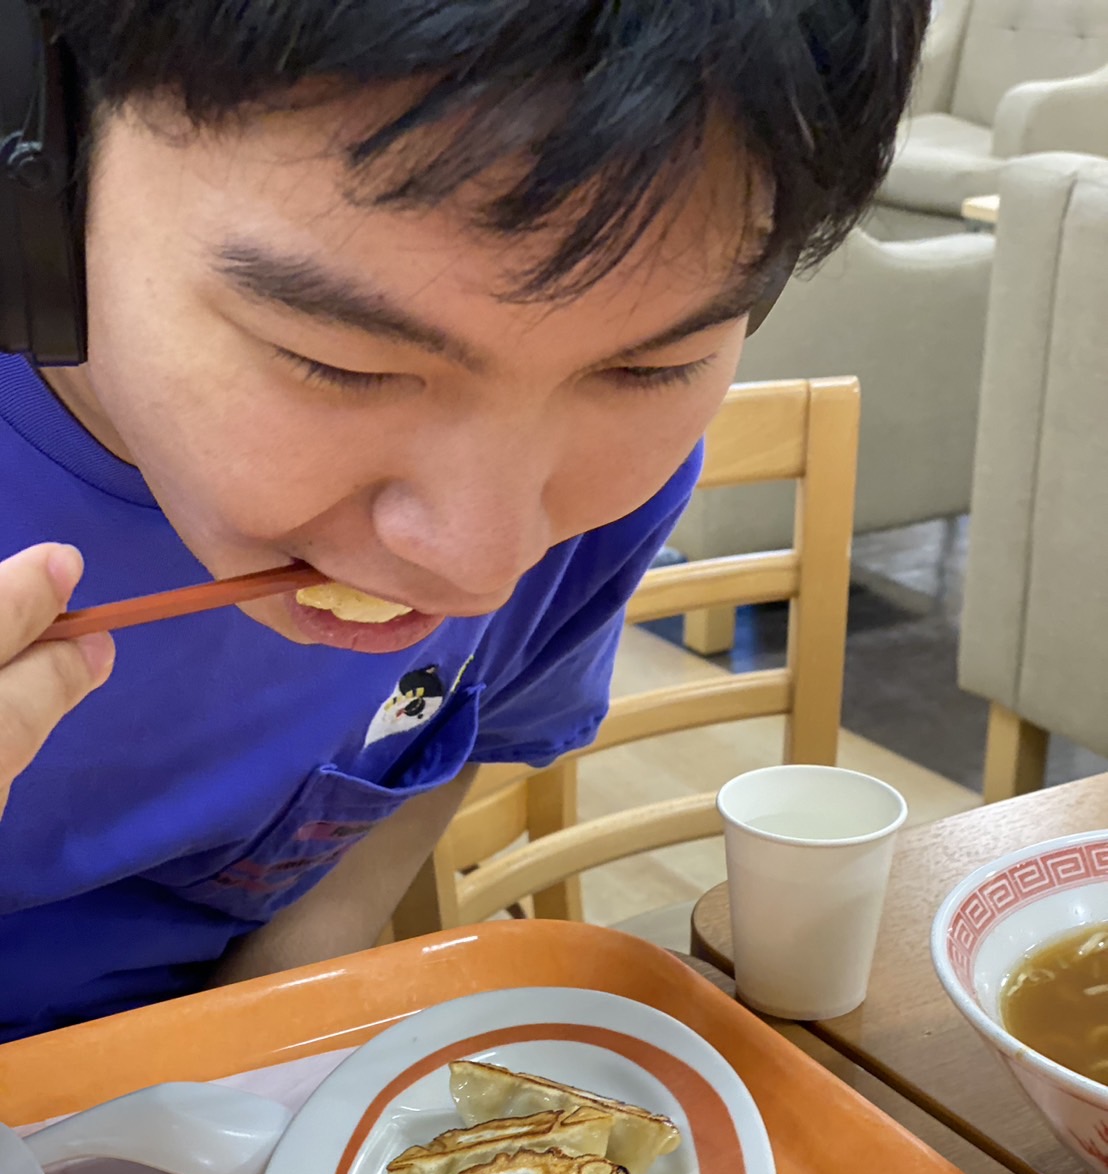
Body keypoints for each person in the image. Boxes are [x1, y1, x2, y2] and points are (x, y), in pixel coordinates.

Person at [0, 0, 927, 1038]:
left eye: (650, 367)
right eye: (340, 365)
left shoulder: (604, 495)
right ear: (34, 200)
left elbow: (444, 744)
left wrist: (255, 1046)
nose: (487, 562)